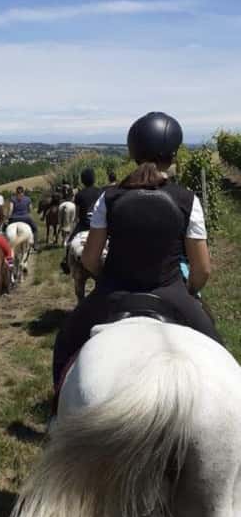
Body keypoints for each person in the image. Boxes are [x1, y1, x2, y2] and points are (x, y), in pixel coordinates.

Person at [52, 112, 222, 413]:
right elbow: (202, 269)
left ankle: (56, 414)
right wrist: (191, 291)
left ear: (133, 152)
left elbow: (90, 258)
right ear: (173, 154)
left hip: (115, 292)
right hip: (171, 291)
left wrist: (107, 279)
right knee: (217, 350)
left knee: (65, 343)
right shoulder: (187, 199)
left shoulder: (110, 197)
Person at [59, 167, 102, 274]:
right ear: (94, 179)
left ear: (83, 180)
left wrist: (77, 221)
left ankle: (66, 264)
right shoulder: (100, 192)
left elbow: (77, 214)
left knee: (69, 242)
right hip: (99, 225)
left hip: (84, 225)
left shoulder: (79, 194)